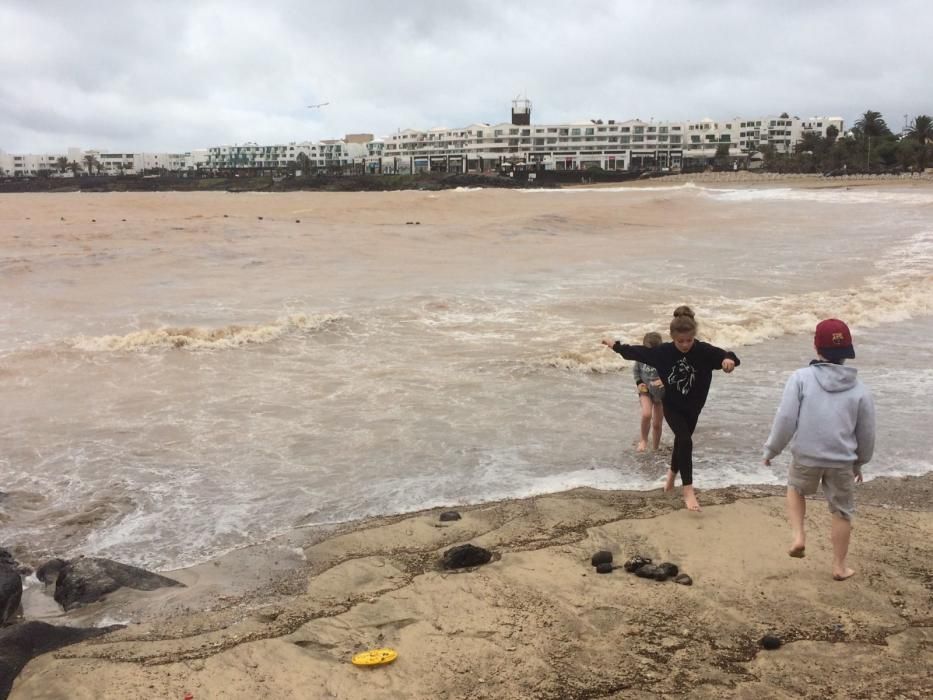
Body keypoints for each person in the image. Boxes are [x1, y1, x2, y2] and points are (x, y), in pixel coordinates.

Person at [763, 319, 875, 581]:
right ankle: (839, 566)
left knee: (795, 488)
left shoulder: (801, 378)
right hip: (842, 461)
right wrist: (860, 463)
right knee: (842, 512)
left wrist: (772, 450)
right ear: (848, 351)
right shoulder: (860, 390)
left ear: (816, 347)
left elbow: (786, 419)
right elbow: (866, 433)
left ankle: (799, 535)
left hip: (807, 455)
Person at [602, 306, 739, 511]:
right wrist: (615, 345)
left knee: (682, 442)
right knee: (684, 439)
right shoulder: (663, 352)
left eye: (689, 340)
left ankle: (671, 477)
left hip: (694, 406)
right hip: (672, 405)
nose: (685, 345)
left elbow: (727, 356)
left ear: (694, 336)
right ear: (672, 337)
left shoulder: (703, 351)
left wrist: (729, 362)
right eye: (680, 341)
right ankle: (688, 490)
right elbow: (635, 352)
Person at [633, 331, 665, 452]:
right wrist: (639, 383)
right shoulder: (641, 358)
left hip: (660, 394)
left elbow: (670, 373)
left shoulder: (664, 358)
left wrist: (663, 381)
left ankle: (656, 447)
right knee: (646, 414)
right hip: (645, 391)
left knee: (657, 424)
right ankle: (643, 440)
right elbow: (636, 372)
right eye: (648, 351)